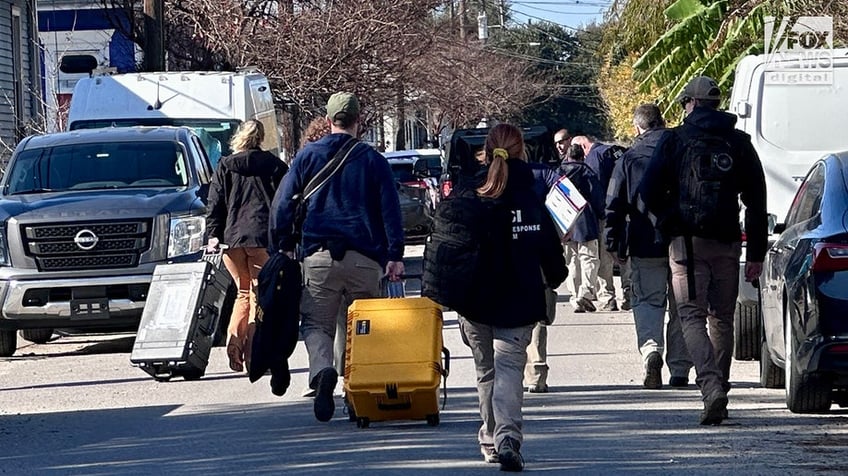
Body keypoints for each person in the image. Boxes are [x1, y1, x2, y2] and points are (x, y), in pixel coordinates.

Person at [269, 92, 405, 423]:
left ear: (329, 120)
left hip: (318, 256)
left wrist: (283, 244)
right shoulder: (373, 160)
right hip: (364, 258)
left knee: (317, 323)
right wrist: (394, 255)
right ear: (359, 121)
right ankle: (355, 393)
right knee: (361, 326)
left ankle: (321, 371)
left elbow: (283, 205)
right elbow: (391, 211)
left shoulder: (306, 157)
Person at [640, 76, 767, 424]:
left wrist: (667, 223)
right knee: (721, 318)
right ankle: (720, 386)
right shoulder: (739, 142)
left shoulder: (675, 140)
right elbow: (756, 199)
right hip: (727, 241)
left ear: (691, 104)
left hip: (686, 244)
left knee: (691, 315)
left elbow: (648, 190)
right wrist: (755, 252)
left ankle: (711, 388)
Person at [443, 123, 566, 471]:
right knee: (510, 368)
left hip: (475, 298)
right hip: (519, 296)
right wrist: (555, 279)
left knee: (486, 370)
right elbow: (549, 251)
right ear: (521, 149)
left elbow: (451, 244)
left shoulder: (470, 191)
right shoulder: (530, 193)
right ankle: (507, 437)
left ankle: (490, 438)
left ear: (486, 149)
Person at [605, 103, 693, 389]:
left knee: (647, 300)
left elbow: (614, 204)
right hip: (682, 239)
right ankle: (680, 368)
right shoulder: (682, 150)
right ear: (662, 121)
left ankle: (651, 350)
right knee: (682, 304)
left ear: (637, 127)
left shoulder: (629, 158)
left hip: (644, 240)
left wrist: (613, 243)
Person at [205, 119, 288, 373]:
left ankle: (234, 344)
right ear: (262, 138)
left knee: (242, 292)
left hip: (232, 240)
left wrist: (213, 234)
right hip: (262, 238)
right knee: (258, 295)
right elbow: (283, 204)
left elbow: (215, 202)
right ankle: (253, 353)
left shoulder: (225, 166)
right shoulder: (275, 167)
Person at [572, 135, 630, 311]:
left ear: (583, 146)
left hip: (607, 212)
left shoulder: (594, 157)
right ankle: (629, 293)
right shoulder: (616, 151)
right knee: (624, 253)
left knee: (605, 255)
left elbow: (595, 187)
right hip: (627, 209)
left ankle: (608, 296)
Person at [524, 158, 562, 394]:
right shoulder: (540, 173)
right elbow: (566, 192)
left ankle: (504, 374)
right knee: (538, 314)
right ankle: (536, 373)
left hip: (500, 257)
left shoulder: (486, 177)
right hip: (535, 253)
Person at [558, 143, 604, 313]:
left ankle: (574, 294)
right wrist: (602, 215)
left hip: (564, 222)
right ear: (582, 156)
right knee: (589, 259)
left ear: (568, 156)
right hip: (585, 221)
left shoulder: (558, 173)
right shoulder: (587, 172)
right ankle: (585, 292)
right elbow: (597, 197)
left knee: (571, 261)